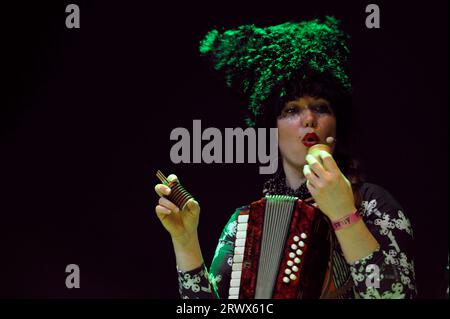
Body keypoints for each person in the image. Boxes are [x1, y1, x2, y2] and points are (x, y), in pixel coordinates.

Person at [154, 16, 416, 299]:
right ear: (271, 129)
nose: (309, 119)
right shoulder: (243, 222)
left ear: (337, 125)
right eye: (291, 110)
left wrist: (343, 214)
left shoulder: (372, 204)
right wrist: (185, 242)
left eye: (321, 107)